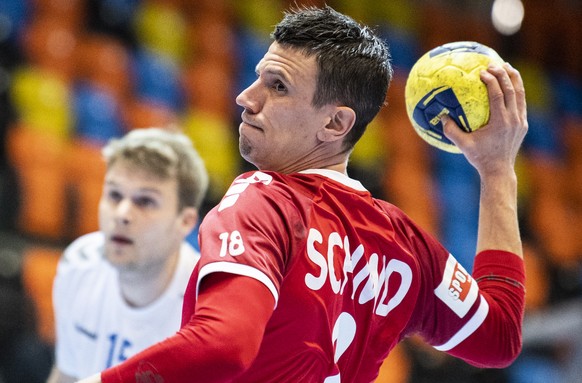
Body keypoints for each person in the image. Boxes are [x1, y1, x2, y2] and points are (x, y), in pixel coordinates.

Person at [78, 5, 528, 383]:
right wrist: (496, 171)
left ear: (335, 124)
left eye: (277, 87)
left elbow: (224, 342)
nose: (244, 97)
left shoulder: (264, 199)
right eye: (258, 78)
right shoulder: (406, 244)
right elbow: (499, 337)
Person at [47, 127, 209, 383]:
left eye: (145, 201)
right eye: (114, 194)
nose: (122, 214)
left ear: (185, 222)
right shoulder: (78, 263)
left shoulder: (206, 304)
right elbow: (67, 373)